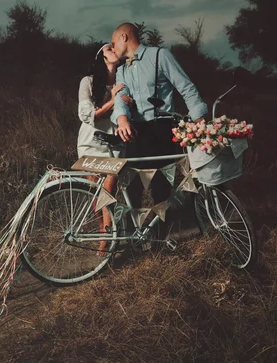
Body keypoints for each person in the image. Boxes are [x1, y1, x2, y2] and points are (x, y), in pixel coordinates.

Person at [110, 22, 208, 210]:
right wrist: (122, 119)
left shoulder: (160, 55)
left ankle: (161, 237)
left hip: (161, 129)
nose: (113, 48)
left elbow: (185, 87)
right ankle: (134, 236)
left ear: (124, 37)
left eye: (113, 43)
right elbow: (120, 99)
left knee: (161, 188)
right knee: (132, 189)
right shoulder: (122, 70)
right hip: (134, 132)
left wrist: (199, 119)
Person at [77, 43, 134, 254]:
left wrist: (130, 103)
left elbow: (127, 114)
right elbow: (89, 115)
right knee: (95, 195)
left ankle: (107, 238)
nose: (114, 49)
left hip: (115, 143)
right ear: (101, 57)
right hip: (91, 143)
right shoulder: (88, 82)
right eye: (109, 48)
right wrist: (113, 99)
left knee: (108, 191)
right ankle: (103, 230)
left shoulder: (124, 81)